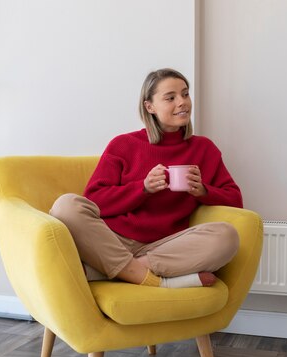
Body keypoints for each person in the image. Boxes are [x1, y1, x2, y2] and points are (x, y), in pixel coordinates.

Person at [50, 68, 243, 288]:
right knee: (65, 205)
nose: (182, 102)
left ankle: (105, 271)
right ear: (149, 106)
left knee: (227, 236)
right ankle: (157, 281)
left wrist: (203, 191)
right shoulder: (123, 144)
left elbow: (235, 199)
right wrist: (143, 188)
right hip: (111, 240)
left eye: (185, 94)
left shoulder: (204, 149)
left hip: (164, 246)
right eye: (170, 97)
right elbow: (95, 199)